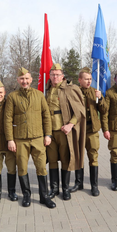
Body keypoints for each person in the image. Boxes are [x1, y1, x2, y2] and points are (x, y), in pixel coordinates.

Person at [4, 67, 55, 209]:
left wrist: (48, 135)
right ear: (18, 80)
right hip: (20, 139)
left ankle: (44, 196)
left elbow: (46, 116)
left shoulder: (39, 95)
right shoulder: (12, 97)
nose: (24, 81)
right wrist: (10, 139)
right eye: (22, 79)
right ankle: (26, 195)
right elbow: (7, 119)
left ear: (31, 80)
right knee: (22, 168)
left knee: (41, 168)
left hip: (38, 138)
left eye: (27, 78)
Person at [45, 63, 86, 200]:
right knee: (52, 160)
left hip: (64, 131)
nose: (55, 77)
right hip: (50, 131)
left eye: (57, 75)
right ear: (50, 76)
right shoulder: (48, 89)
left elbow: (80, 110)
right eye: (52, 74)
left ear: (62, 76)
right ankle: (54, 189)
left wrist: (70, 124)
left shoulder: (70, 89)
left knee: (65, 160)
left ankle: (65, 188)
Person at [70, 67, 107, 197]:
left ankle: (94, 186)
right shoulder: (74, 92)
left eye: (90, 79)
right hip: (79, 130)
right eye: (86, 79)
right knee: (78, 157)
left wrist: (100, 98)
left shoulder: (95, 92)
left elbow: (104, 110)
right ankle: (78, 183)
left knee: (93, 157)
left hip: (92, 130)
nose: (89, 81)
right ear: (80, 80)